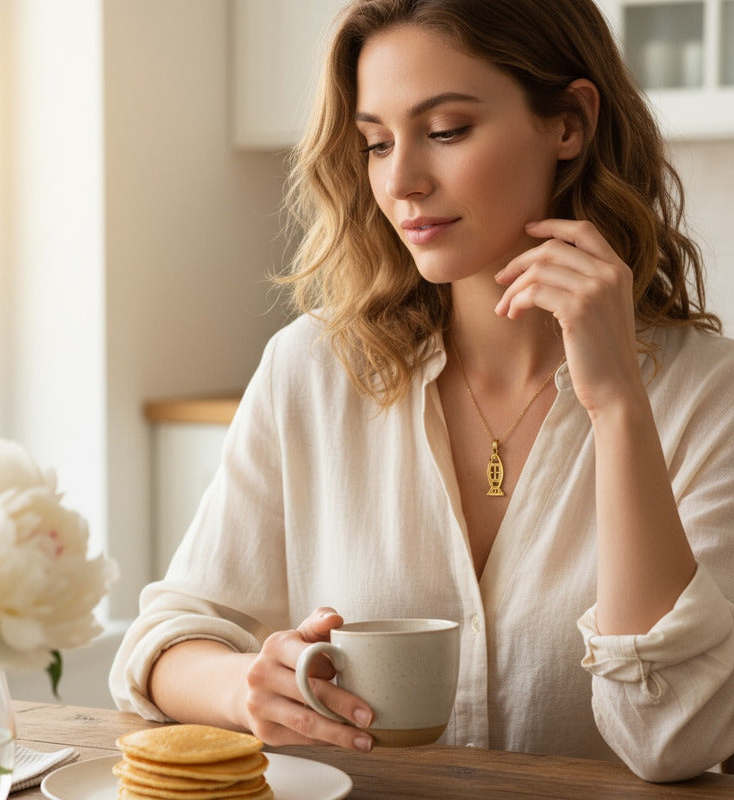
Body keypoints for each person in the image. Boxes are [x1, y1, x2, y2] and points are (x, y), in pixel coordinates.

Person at [110, 0, 734, 782]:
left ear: (568, 123)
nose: (401, 181)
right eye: (376, 142)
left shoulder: (709, 396)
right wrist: (248, 687)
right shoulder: (311, 371)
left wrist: (617, 408)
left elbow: (673, 738)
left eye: (446, 131)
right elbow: (164, 640)